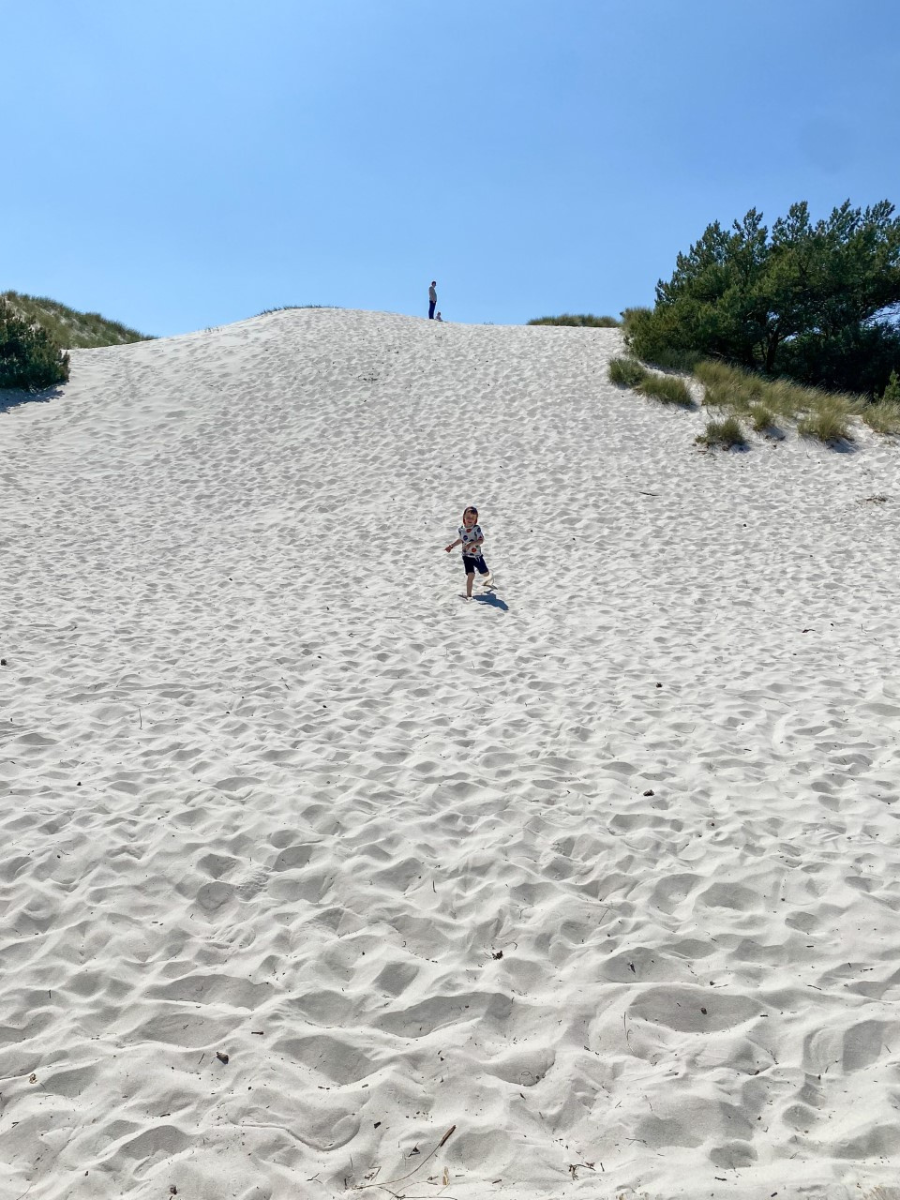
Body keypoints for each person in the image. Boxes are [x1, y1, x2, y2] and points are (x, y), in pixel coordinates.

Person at [445, 505, 492, 599]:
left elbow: (481, 540)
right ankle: (469, 595)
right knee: (471, 575)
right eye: (468, 517)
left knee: (484, 573)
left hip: (477, 556)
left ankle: (489, 577)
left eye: (472, 518)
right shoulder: (461, 529)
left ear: (475, 520)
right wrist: (451, 546)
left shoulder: (476, 529)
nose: (470, 519)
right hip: (466, 556)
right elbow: (461, 540)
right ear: (464, 517)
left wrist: (472, 544)